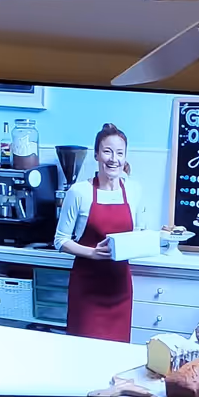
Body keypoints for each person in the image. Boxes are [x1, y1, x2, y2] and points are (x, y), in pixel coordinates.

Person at [54, 123, 144, 341]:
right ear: (96, 155)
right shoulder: (79, 192)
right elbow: (60, 240)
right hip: (87, 289)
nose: (114, 159)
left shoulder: (134, 190)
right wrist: (92, 252)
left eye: (120, 153)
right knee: (83, 351)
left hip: (120, 288)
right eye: (107, 151)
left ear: (125, 157)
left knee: (118, 352)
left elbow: (139, 231)